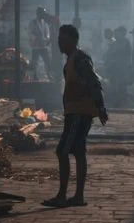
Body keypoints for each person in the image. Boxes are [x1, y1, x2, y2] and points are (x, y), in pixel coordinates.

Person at [42, 24, 108, 208]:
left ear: (72, 40)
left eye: (63, 40)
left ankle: (62, 196)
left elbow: (95, 82)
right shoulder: (73, 59)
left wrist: (101, 107)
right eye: (58, 40)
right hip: (76, 110)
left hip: (79, 111)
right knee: (78, 151)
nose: (59, 44)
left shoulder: (80, 60)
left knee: (62, 151)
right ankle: (78, 196)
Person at [28, 7, 52, 80]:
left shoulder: (44, 22)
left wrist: (46, 39)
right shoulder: (32, 22)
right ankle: (35, 76)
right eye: (42, 13)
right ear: (38, 14)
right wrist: (35, 38)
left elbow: (47, 32)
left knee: (47, 61)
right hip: (35, 46)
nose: (43, 15)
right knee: (35, 62)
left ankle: (48, 74)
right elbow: (29, 33)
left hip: (43, 46)